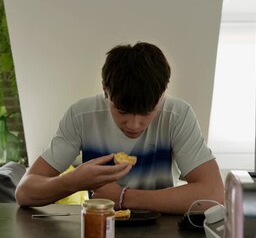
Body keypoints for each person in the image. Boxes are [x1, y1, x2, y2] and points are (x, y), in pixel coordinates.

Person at [15, 42, 224, 214]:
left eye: (147, 112)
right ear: (105, 90)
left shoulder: (177, 116)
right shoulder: (81, 116)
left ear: (162, 94)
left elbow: (214, 194)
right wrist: (73, 181)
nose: (134, 125)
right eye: (122, 111)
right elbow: (24, 192)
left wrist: (123, 197)